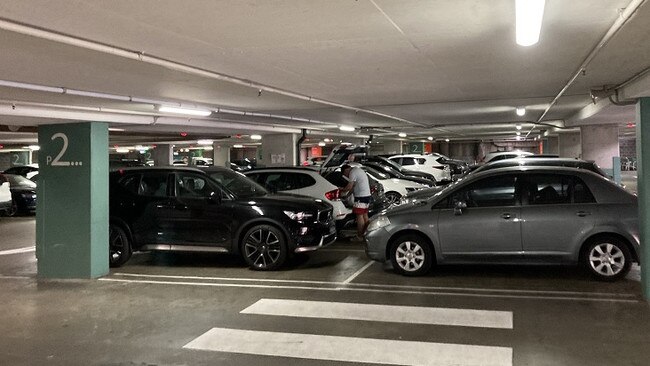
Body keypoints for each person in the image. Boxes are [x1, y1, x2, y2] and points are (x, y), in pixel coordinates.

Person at [340, 164, 371, 241]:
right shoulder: (358, 170)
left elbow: (349, 186)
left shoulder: (352, 173)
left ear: (345, 171)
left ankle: (359, 236)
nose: (346, 176)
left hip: (361, 196)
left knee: (359, 216)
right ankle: (367, 234)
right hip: (367, 196)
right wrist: (347, 196)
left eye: (345, 174)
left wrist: (341, 190)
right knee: (365, 216)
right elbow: (353, 187)